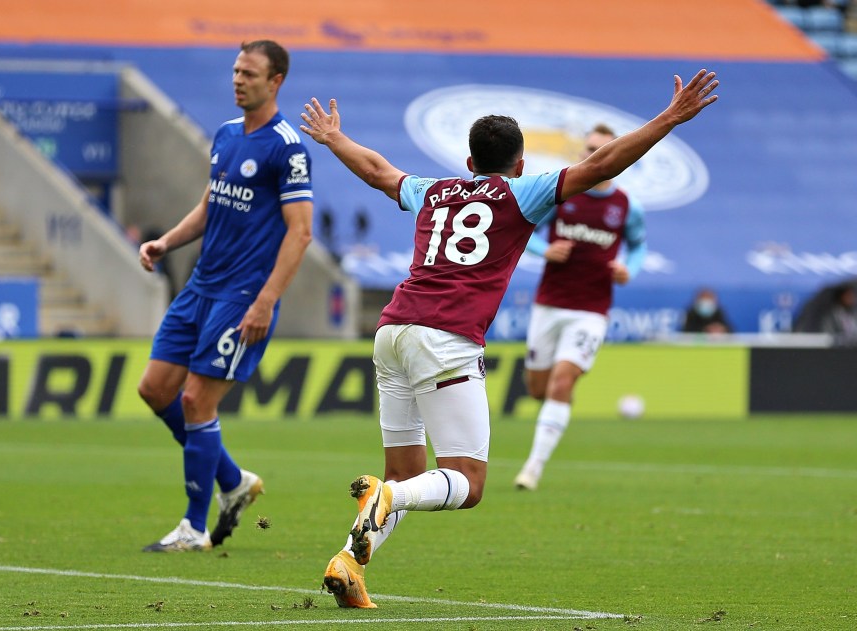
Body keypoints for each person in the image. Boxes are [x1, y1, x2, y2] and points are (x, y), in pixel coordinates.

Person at [298, 68, 719, 608]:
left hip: (392, 330)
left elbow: (378, 171)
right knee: (466, 483)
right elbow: (601, 165)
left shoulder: (435, 190)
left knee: (404, 472)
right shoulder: (524, 193)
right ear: (520, 165)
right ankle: (386, 498)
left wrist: (335, 138)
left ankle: (349, 563)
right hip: (445, 340)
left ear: (468, 163)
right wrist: (669, 118)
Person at [136, 40, 314, 552]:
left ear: (275, 80)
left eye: (250, 73)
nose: (238, 80)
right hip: (200, 285)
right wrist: (166, 241)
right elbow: (211, 205)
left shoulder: (287, 147)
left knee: (195, 400)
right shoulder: (226, 134)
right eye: (236, 71)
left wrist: (266, 300)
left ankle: (194, 528)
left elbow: (300, 232)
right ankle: (234, 482)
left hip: (241, 295)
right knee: (155, 389)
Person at [513, 123, 647, 492]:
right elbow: (526, 229)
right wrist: (545, 250)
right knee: (538, 388)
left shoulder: (626, 206)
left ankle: (533, 468)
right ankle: (555, 409)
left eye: (601, 150)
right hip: (550, 303)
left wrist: (628, 270)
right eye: (588, 149)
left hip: (592, 308)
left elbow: (638, 246)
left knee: (562, 381)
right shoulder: (563, 192)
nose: (592, 156)